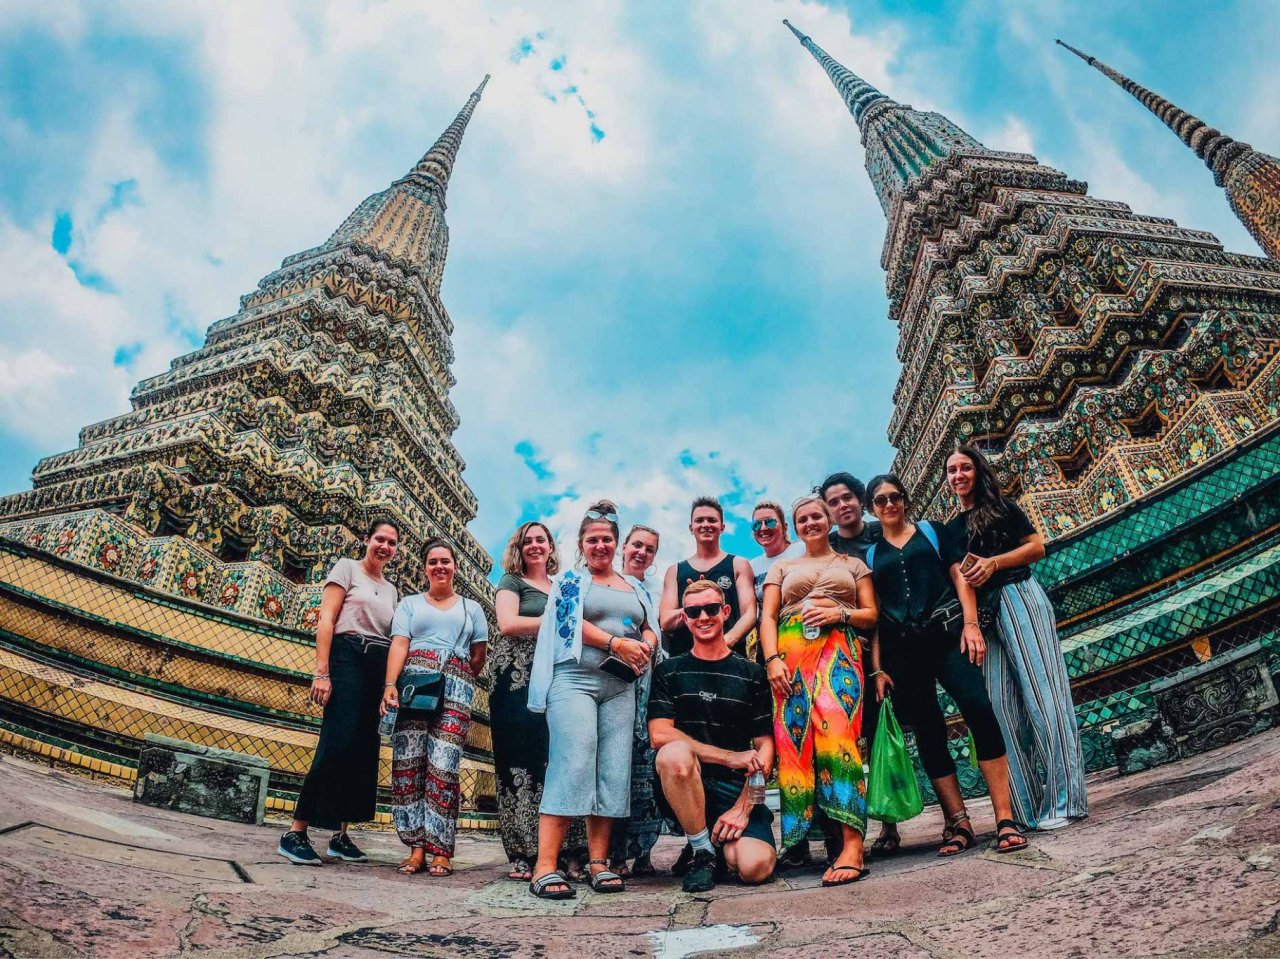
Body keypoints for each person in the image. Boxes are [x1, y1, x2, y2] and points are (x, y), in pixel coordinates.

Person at [864, 474, 1029, 856]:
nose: (889, 505)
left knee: (978, 708)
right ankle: (958, 821)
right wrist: (877, 668)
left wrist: (971, 625)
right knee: (928, 730)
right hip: (902, 650)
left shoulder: (932, 532)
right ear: (873, 508)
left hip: (948, 635)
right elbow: (874, 617)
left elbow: (960, 576)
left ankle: (1004, 816)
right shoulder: (871, 555)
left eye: (895, 497)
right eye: (880, 501)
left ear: (905, 500)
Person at [945, 445, 1088, 830]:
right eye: (952, 470)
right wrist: (971, 624)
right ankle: (1024, 808)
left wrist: (995, 562)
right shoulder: (952, 529)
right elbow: (960, 576)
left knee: (1045, 696)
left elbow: (1037, 546)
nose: (958, 476)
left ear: (978, 472)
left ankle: (1065, 800)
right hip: (983, 617)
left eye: (965, 468)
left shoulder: (1002, 508)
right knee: (1002, 710)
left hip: (1018, 594)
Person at [526, 501, 660, 899]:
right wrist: (617, 643)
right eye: (592, 540)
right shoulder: (570, 581)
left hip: (619, 686)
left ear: (616, 544)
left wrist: (646, 646)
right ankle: (545, 865)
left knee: (612, 768)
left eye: (606, 540)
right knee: (574, 759)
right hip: (576, 679)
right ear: (582, 545)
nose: (600, 546)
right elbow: (566, 622)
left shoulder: (633, 587)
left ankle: (598, 861)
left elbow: (650, 626)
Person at [759, 495, 878, 887]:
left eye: (816, 516)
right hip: (790, 658)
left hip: (839, 654)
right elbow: (769, 617)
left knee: (839, 737)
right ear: (795, 527)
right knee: (794, 745)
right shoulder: (783, 566)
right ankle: (799, 841)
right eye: (802, 519)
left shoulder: (852, 565)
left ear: (828, 520)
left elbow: (871, 614)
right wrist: (772, 659)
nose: (810, 523)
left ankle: (852, 842)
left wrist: (839, 613)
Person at [279, 518, 401, 866]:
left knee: (364, 748)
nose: (385, 547)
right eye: (380, 539)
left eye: (392, 543)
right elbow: (327, 618)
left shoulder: (391, 590)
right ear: (367, 539)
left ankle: (340, 836)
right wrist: (322, 672)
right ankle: (296, 831)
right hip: (347, 655)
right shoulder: (347, 569)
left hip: (377, 666)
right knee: (337, 741)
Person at [650, 579, 777, 893]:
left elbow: (765, 746)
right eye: (693, 611)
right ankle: (703, 850)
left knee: (753, 867)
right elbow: (659, 733)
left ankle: (716, 846)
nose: (702, 617)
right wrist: (730, 757)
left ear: (726, 612)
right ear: (686, 618)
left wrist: (743, 808)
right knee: (673, 753)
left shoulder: (752, 674)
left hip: (736, 788)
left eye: (710, 609)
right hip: (688, 784)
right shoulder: (669, 671)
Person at [381, 539, 489, 877]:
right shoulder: (410, 604)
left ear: (455, 566)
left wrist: (455, 673)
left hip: (455, 687)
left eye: (445, 561)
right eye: (432, 562)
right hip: (413, 686)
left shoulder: (472, 609)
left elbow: (478, 655)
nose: (439, 567)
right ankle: (416, 847)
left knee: (444, 764)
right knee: (409, 764)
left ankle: (441, 849)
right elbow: (400, 644)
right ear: (424, 567)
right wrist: (389, 685)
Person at [492, 521, 588, 882]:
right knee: (519, 760)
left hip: (556, 677)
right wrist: (556, 621)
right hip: (515, 678)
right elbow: (507, 623)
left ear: (550, 547)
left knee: (557, 758)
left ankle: (563, 849)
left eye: (541, 540)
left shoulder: (562, 585)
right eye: (528, 541)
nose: (535, 546)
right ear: (519, 547)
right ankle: (522, 851)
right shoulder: (511, 582)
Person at [818, 471, 899, 857]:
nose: (842, 506)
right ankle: (857, 828)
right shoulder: (829, 548)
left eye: (847, 497)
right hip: (845, 654)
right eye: (832, 502)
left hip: (892, 640)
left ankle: (892, 819)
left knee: (888, 731)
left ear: (860, 500)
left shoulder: (882, 533)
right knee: (854, 737)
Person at [609, 524, 665, 877]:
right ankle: (613, 852)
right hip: (611, 676)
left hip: (647, 680)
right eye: (637, 545)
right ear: (624, 547)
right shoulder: (608, 582)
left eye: (650, 549)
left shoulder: (656, 591)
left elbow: (658, 630)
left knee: (645, 771)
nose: (642, 552)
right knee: (616, 768)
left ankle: (643, 851)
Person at [660, 497, 756, 657]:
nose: (706, 525)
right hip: (684, 661)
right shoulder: (675, 571)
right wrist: (697, 606)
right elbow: (666, 621)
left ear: (722, 527)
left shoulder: (738, 564)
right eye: (699, 520)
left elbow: (750, 614)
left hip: (730, 661)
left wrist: (724, 644)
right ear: (691, 528)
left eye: (712, 520)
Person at [748, 500, 804, 622]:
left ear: (785, 526)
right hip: (769, 634)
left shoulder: (802, 550)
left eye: (770, 522)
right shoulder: (752, 567)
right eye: (756, 525)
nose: (763, 528)